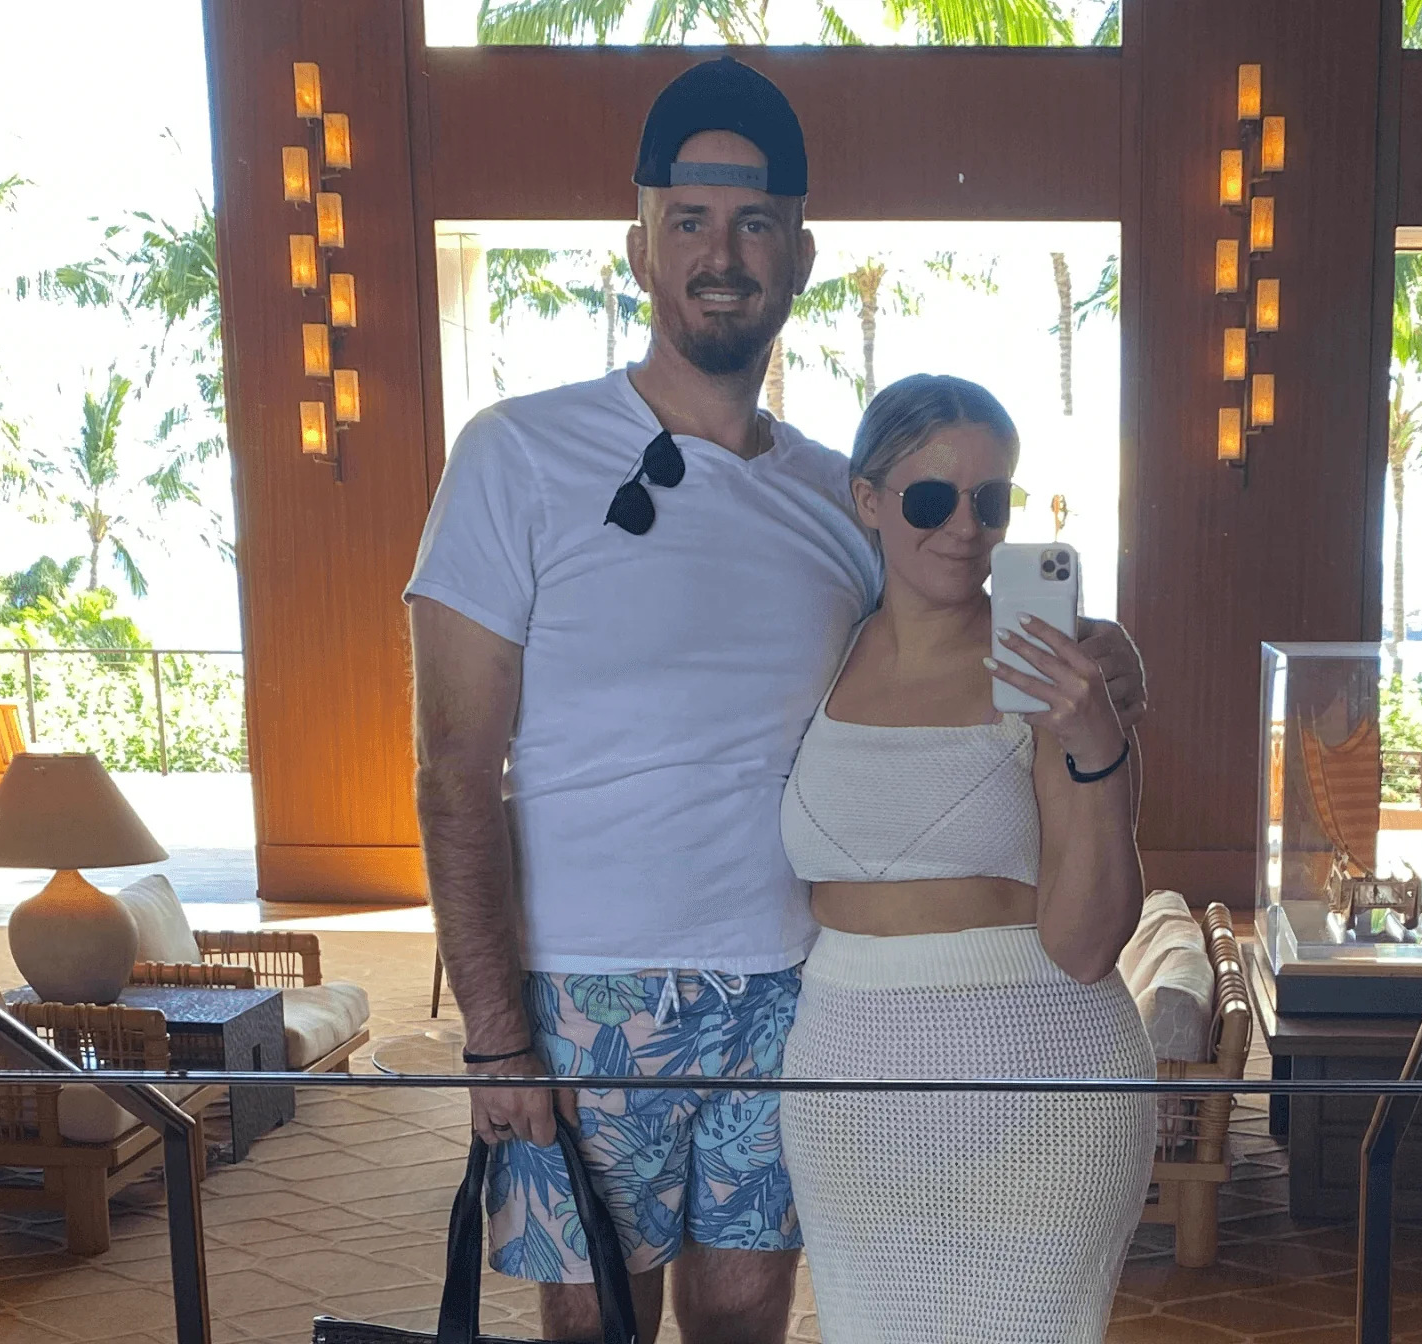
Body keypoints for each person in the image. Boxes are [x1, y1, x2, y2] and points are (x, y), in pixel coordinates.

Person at [403, 59, 1147, 1344]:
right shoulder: (516, 454)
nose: (721, 252)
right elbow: (453, 770)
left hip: (794, 990)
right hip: (589, 990)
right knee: (591, 1326)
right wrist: (494, 1034)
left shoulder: (838, 495)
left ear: (798, 255)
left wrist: (1109, 649)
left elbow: (951, 616)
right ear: (639, 244)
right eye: (688, 220)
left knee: (749, 1318)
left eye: (753, 224)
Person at [778, 374, 1154, 1344]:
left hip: (1042, 1080)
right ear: (868, 500)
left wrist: (1094, 739)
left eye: (992, 502)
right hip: (845, 1085)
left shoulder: (1053, 666)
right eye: (932, 498)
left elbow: (1086, 944)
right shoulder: (821, 644)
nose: (965, 528)